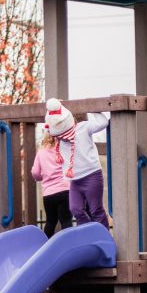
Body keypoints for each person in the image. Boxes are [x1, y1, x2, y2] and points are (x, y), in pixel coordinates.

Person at [43, 98, 111, 229]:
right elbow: (51, 121)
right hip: (75, 180)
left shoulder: (83, 127)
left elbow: (103, 123)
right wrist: (58, 107)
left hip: (91, 175)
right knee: (75, 209)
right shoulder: (59, 136)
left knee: (95, 209)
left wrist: (93, 108)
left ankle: (103, 235)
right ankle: (87, 234)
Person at [31, 125, 72, 235]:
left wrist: (42, 177)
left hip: (49, 194)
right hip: (65, 191)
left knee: (50, 222)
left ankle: (46, 245)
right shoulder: (64, 149)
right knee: (66, 221)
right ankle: (69, 245)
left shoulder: (41, 153)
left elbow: (35, 173)